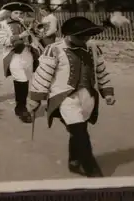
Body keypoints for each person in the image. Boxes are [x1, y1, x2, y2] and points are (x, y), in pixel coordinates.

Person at [27, 16, 116, 178]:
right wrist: (35, 98)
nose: (84, 39)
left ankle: (74, 161)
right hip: (64, 99)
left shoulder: (93, 49)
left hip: (88, 97)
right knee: (80, 131)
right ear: (68, 35)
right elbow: (43, 74)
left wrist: (107, 92)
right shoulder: (54, 49)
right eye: (80, 36)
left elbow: (101, 71)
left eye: (87, 36)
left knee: (78, 130)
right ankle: (90, 167)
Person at [0, 1, 39, 124]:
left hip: (28, 55)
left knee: (26, 81)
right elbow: (3, 41)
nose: (18, 15)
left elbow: (34, 39)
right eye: (16, 12)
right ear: (10, 13)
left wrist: (35, 32)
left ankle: (20, 106)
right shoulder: (2, 24)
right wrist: (20, 35)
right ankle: (21, 108)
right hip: (14, 56)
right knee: (21, 81)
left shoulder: (26, 23)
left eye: (21, 13)